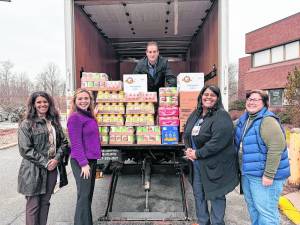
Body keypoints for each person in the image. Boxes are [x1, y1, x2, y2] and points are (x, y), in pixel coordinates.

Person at [183, 85, 239, 225]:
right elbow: (187, 132)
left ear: (218, 98)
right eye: (206, 94)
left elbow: (218, 142)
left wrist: (198, 153)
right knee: (198, 195)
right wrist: (189, 149)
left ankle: (217, 223)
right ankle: (203, 222)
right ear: (201, 96)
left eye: (212, 95)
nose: (208, 97)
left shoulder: (221, 115)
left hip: (215, 164)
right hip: (196, 163)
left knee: (216, 195)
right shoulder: (196, 113)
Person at [234, 89, 290, 225]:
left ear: (264, 104)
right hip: (249, 173)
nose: (251, 102)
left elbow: (276, 148)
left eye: (255, 100)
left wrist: (269, 175)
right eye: (249, 99)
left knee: (266, 212)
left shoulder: (267, 121)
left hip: (264, 176)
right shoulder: (245, 119)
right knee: (253, 209)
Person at [17, 91, 69, 225]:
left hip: (52, 167)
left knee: (45, 203)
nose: (42, 104)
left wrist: (56, 159)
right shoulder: (26, 124)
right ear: (33, 105)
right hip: (32, 170)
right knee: (33, 205)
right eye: (39, 102)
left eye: (45, 101)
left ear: (49, 103)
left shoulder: (54, 122)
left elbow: (64, 143)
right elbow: (25, 149)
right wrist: (46, 163)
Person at [67, 88, 102, 225]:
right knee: (84, 196)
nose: (83, 101)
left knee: (87, 196)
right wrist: (83, 163)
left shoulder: (88, 116)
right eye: (80, 99)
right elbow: (75, 143)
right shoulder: (75, 117)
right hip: (82, 162)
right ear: (75, 101)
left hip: (90, 160)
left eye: (86, 98)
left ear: (90, 100)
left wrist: (94, 114)